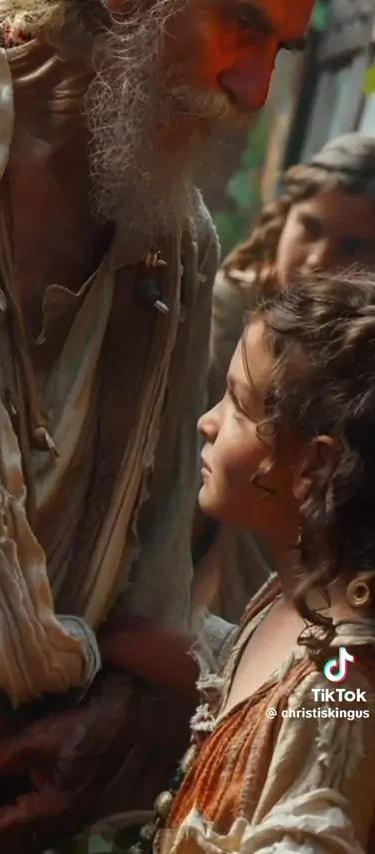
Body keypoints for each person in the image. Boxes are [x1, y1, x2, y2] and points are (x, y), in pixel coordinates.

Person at [0, 0, 315, 851]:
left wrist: (115, 714)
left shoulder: (176, 248)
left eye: (282, 49)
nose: (256, 89)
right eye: (242, 25)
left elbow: (150, 568)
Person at [106, 271, 375, 853]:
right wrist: (109, 634)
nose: (208, 421)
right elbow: (253, 676)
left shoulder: (341, 680)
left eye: (237, 404)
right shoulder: (293, 599)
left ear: (314, 469)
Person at [193, 133, 375, 622]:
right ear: (284, 216)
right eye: (310, 227)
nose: (318, 258)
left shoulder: (359, 359)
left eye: (354, 245)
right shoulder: (226, 313)